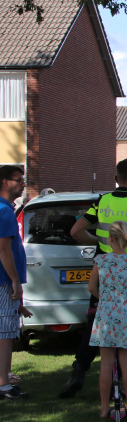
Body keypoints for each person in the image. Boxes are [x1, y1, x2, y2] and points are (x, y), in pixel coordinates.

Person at [59, 159, 127, 398]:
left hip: (105, 268)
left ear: (116, 179)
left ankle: (79, 370)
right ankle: (121, 378)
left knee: (96, 320)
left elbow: (75, 231)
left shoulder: (102, 201)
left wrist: (99, 242)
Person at [89, 221, 127, 418]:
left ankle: (104, 408)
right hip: (126, 315)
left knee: (105, 363)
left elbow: (91, 288)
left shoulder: (100, 261)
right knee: (126, 363)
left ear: (110, 238)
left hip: (105, 316)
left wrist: (103, 298)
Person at [0, 165, 28, 400]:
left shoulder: (6, 209)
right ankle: (3, 385)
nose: (23, 183)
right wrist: (15, 280)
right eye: (19, 180)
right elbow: (4, 249)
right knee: (5, 331)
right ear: (5, 182)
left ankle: (5, 376)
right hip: (4, 281)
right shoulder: (5, 212)